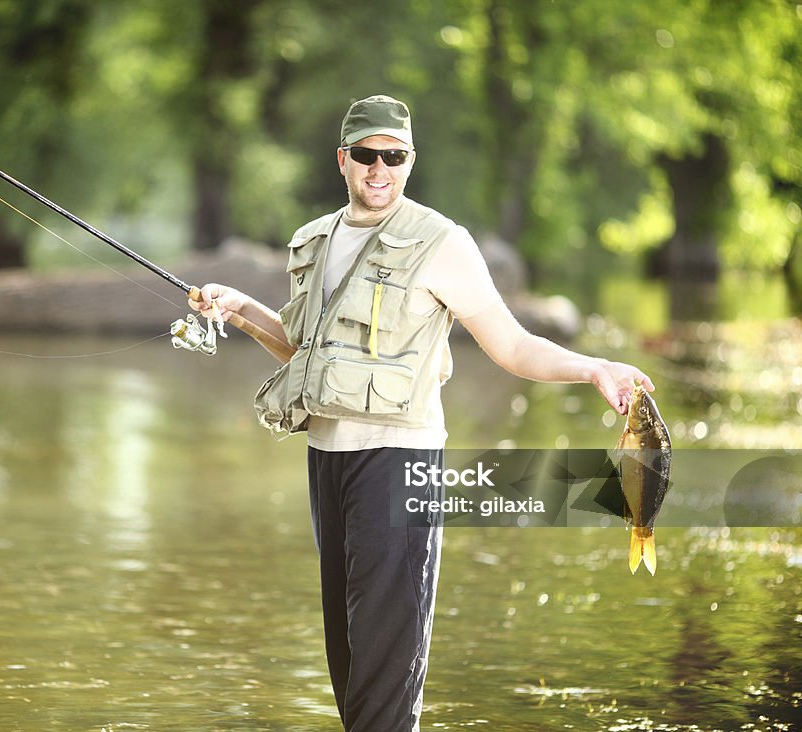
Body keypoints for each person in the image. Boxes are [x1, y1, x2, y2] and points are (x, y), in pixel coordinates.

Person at [190, 94, 653, 731]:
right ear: (342, 160)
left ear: (410, 161)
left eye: (394, 156)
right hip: (326, 459)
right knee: (347, 660)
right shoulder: (315, 241)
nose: (379, 169)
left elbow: (513, 346)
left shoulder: (444, 243)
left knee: (387, 660)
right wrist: (240, 308)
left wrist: (593, 367)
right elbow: (304, 349)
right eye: (366, 155)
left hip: (400, 461)